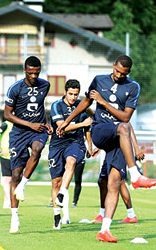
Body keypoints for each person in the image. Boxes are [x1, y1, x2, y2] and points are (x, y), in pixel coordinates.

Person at [56, 55, 156, 243]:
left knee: (114, 182)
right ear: (113, 66)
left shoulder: (133, 87)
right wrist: (68, 121)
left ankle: (105, 230)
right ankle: (135, 176)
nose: (119, 75)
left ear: (128, 73)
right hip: (101, 130)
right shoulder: (99, 80)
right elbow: (85, 103)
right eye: (117, 71)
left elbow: (125, 116)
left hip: (119, 139)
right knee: (123, 127)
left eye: (124, 73)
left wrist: (103, 102)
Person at [4, 56, 52, 234]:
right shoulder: (15, 89)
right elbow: (7, 114)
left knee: (38, 149)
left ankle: (24, 184)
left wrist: (45, 123)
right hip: (19, 132)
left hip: (38, 129)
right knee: (15, 174)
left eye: (36, 72)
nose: (33, 76)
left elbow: (40, 107)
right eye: (30, 72)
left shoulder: (45, 85)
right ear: (24, 70)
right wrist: (29, 124)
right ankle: (14, 217)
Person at [48, 79, 93, 229]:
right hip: (56, 144)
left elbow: (90, 121)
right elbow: (62, 127)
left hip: (75, 142)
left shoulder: (81, 105)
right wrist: (83, 123)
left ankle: (62, 194)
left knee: (72, 162)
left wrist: (90, 145)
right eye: (70, 94)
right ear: (65, 92)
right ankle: (56, 214)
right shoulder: (56, 106)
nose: (73, 97)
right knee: (55, 181)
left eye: (76, 94)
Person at [91, 123, 143, 224]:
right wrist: (100, 146)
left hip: (119, 151)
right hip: (110, 151)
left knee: (119, 182)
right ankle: (102, 214)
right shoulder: (107, 114)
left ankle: (131, 215)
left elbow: (128, 127)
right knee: (102, 181)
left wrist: (136, 149)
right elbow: (110, 132)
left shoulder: (120, 112)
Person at [0, 120, 14, 209]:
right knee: (7, 180)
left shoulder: (22, 124)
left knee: (15, 180)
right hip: (6, 156)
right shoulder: (6, 124)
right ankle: (8, 201)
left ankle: (7, 200)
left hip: (18, 156)